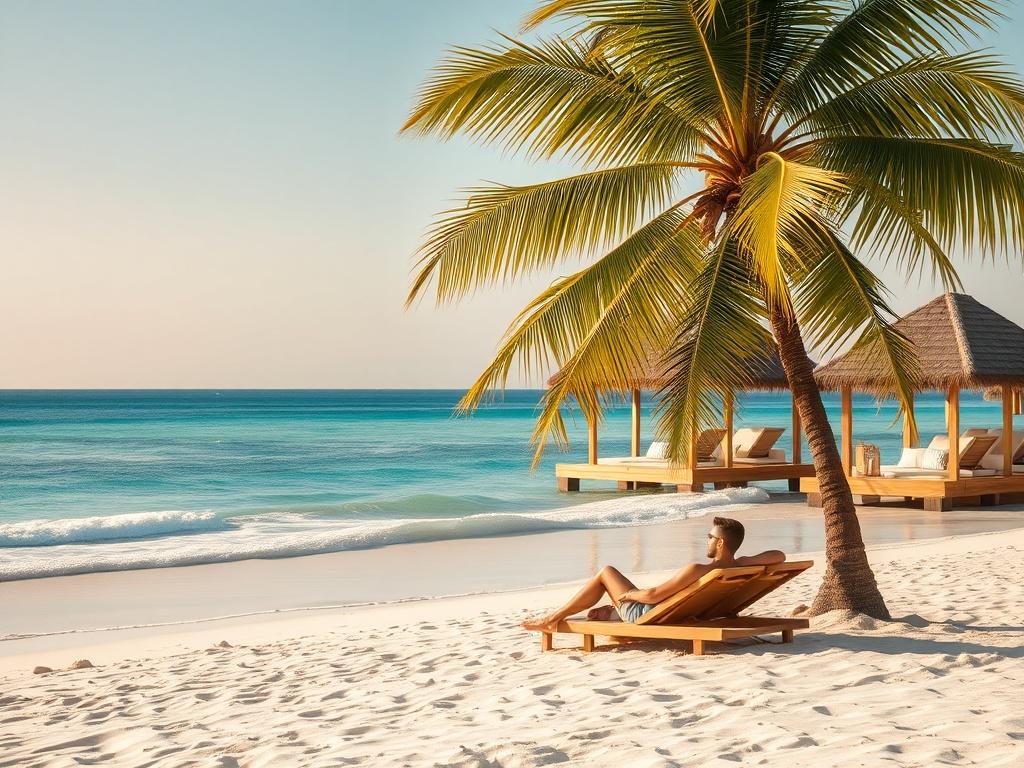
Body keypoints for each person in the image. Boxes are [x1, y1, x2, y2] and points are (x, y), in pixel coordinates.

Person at [522, 517, 784, 632]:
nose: (706, 540)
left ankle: (553, 618)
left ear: (721, 543)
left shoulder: (700, 569)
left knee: (606, 572)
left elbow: (654, 595)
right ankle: (611, 611)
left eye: (710, 537)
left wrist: (629, 594)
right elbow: (779, 555)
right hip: (685, 611)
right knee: (625, 588)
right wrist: (746, 558)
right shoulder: (739, 567)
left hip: (647, 614)